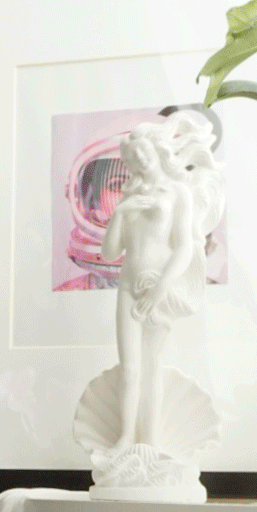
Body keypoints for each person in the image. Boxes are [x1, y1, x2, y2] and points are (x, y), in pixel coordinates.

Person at [100, 111, 224, 453]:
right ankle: (126, 437)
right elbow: (110, 253)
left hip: (158, 284)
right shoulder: (127, 198)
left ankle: (151, 440)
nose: (137, 158)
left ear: (157, 151)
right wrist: (120, 214)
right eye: (130, 156)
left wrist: (162, 286)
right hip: (128, 284)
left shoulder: (178, 194)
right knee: (130, 368)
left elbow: (185, 245)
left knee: (152, 365)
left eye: (142, 151)